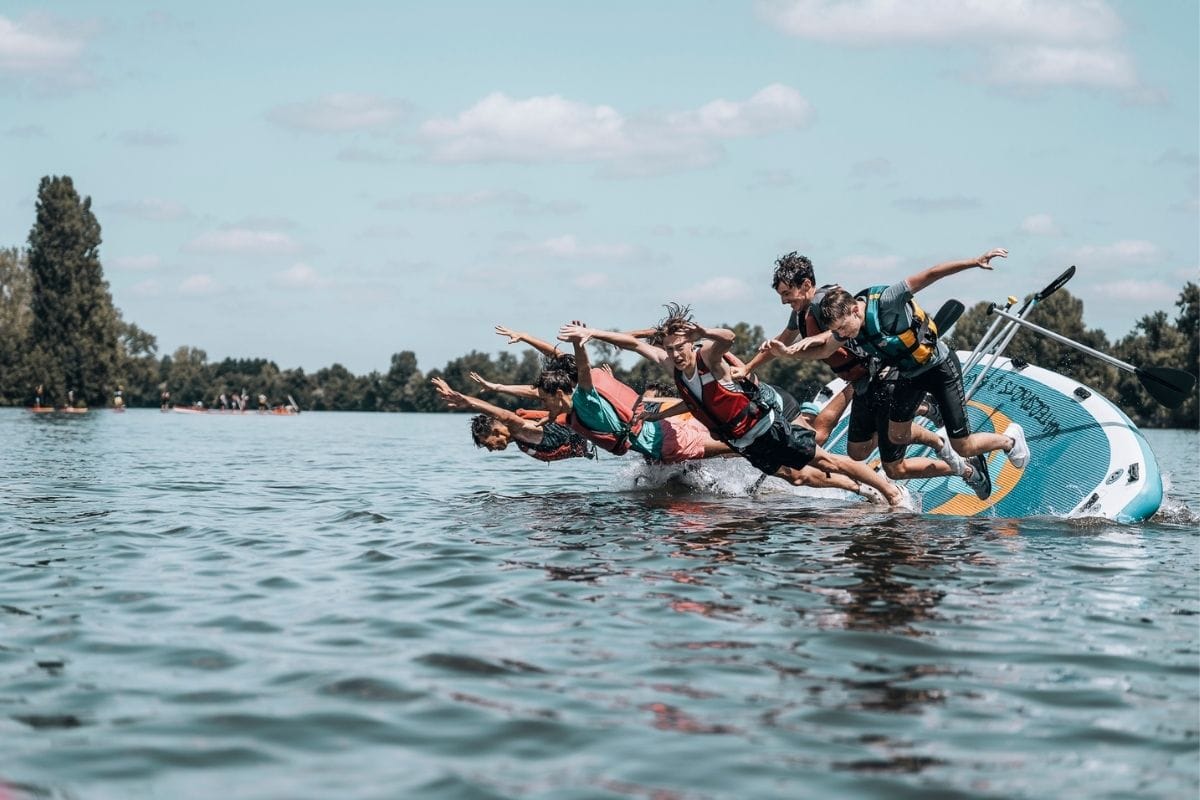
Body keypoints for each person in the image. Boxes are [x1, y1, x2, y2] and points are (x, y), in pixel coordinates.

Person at [559, 314, 908, 508]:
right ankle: (865, 492)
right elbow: (633, 344)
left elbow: (728, 338)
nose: (676, 354)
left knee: (825, 460)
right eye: (670, 349)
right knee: (794, 476)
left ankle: (892, 493)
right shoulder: (671, 365)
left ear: (689, 343)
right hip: (745, 443)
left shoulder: (707, 358)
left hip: (768, 427)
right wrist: (591, 333)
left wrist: (704, 332)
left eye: (680, 347)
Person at [801, 247, 1029, 482]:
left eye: (841, 327)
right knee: (898, 436)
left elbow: (932, 273)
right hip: (909, 375)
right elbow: (824, 349)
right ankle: (931, 415)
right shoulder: (846, 327)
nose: (841, 335)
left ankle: (1009, 440)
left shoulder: (888, 300)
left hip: (939, 369)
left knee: (964, 446)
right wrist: (786, 352)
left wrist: (974, 261)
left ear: (854, 310)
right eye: (836, 331)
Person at [431, 377, 593, 462]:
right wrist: (463, 398)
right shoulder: (518, 436)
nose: (490, 449)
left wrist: (469, 403)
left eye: (488, 444)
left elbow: (504, 415)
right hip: (590, 435)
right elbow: (499, 414)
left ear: (496, 431)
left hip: (592, 429)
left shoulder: (522, 431)